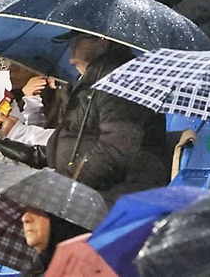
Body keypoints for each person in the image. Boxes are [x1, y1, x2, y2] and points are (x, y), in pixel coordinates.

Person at [43, 36, 169, 205]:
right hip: (83, 187)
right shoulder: (88, 80)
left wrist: (68, 185)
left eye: (79, 38)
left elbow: (115, 150)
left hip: (114, 195)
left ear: (103, 41)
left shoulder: (122, 82)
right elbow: (73, 139)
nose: (72, 45)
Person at [19, 208, 89, 277]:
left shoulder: (85, 269)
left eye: (37, 211)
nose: (25, 218)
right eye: (24, 211)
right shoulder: (33, 269)